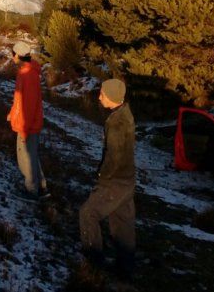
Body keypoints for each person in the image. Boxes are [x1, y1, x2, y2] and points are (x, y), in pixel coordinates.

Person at [79, 78, 136, 280]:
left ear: (111, 96)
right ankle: (125, 268)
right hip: (127, 180)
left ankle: (94, 265)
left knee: (88, 214)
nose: (99, 96)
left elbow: (115, 157)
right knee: (122, 223)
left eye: (102, 93)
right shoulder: (123, 114)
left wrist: (103, 177)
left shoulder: (118, 123)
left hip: (116, 181)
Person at [6, 41, 48, 200]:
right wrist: (12, 113)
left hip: (27, 125)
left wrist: (23, 129)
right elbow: (20, 100)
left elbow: (28, 105)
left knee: (26, 159)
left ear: (17, 55)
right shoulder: (28, 71)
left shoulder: (27, 75)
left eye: (12, 54)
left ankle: (31, 191)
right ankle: (42, 187)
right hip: (29, 123)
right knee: (32, 155)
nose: (12, 57)